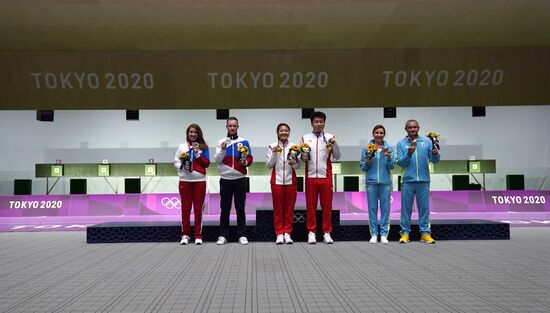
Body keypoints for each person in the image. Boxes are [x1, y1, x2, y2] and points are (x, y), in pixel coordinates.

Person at [396, 119, 440, 244]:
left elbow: (434, 160)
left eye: (415, 127)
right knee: (406, 209)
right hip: (408, 181)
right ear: (406, 129)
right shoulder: (401, 144)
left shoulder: (426, 142)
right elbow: (400, 162)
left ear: (418, 128)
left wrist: (436, 154)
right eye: (410, 127)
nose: (412, 129)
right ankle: (405, 233)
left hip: (424, 180)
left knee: (424, 209)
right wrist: (408, 154)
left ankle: (425, 233)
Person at [301, 111, 341, 244]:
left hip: (326, 176)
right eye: (316, 122)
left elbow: (337, 156)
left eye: (321, 122)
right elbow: (302, 157)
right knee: (310, 206)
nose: (319, 124)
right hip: (311, 176)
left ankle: (326, 232)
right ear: (312, 123)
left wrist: (334, 144)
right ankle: (311, 232)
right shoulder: (305, 138)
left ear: (324, 123)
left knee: (327, 206)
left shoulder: (330, 137)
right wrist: (303, 156)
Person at [214, 117, 253, 245]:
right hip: (225, 179)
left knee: (240, 208)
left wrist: (245, 162)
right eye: (230, 125)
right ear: (226, 126)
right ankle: (223, 235)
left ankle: (242, 235)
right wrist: (223, 149)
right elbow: (217, 160)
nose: (232, 128)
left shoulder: (244, 141)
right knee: (224, 209)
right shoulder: (220, 142)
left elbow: (250, 158)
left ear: (237, 126)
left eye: (234, 126)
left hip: (240, 179)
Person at [174, 124, 210, 245]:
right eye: (191, 132)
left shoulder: (203, 147)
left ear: (198, 133)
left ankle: (198, 235)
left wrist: (198, 154)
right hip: (185, 181)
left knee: (198, 209)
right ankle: (185, 235)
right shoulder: (181, 146)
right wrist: (182, 166)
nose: (193, 134)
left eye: (195, 132)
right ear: (187, 133)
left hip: (199, 181)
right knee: (185, 209)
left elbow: (207, 164)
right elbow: (176, 161)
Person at [266, 123, 300, 245]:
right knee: (278, 209)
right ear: (278, 132)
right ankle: (279, 233)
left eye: (286, 131)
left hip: (291, 181)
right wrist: (275, 153)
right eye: (281, 131)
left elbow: (298, 166)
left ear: (289, 132)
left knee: (289, 209)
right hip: (277, 181)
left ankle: (288, 233)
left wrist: (294, 162)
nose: (284, 133)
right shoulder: (272, 146)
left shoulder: (295, 147)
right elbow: (269, 165)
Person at [360, 125, 394, 244]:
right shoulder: (366, 148)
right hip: (371, 182)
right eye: (377, 132)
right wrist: (368, 160)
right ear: (373, 134)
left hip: (385, 182)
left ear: (384, 134)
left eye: (381, 133)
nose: (379, 135)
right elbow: (363, 167)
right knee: (372, 209)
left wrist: (389, 158)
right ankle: (374, 233)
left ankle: (384, 234)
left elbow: (392, 166)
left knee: (385, 209)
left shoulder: (389, 148)